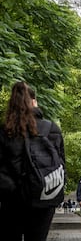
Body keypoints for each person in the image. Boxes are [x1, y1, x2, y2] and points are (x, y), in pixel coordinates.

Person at [0, 81, 65, 241]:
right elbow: (61, 164)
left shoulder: (5, 132)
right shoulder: (51, 129)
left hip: (12, 202)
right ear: (34, 102)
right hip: (43, 197)